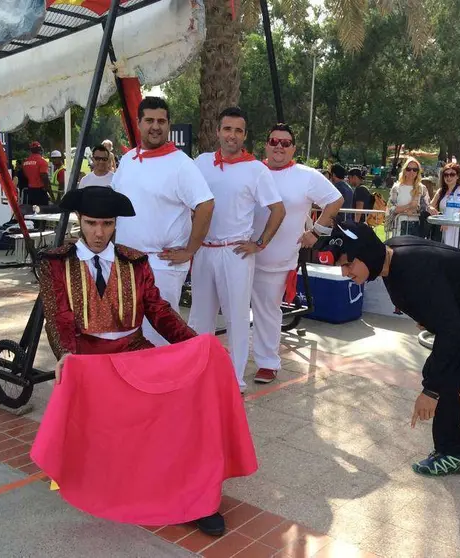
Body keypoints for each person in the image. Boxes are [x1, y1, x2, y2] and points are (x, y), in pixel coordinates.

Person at [37, 186, 236, 536]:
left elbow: (158, 311)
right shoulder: (56, 262)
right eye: (91, 223)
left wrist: (197, 345)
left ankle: (192, 495)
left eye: (107, 224)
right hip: (88, 361)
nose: (99, 233)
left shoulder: (135, 260)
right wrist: (66, 354)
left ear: (116, 224)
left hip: (133, 351)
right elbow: (59, 316)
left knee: (180, 410)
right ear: (80, 222)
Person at [316, 223, 460, 476]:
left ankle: (454, 453)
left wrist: (430, 390)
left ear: (366, 253)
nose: (345, 272)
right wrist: (432, 315)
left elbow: (450, 333)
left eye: (348, 264)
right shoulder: (391, 258)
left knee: (446, 373)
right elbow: (440, 294)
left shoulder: (412, 271)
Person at [190, 107, 285, 393]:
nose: (232, 135)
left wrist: (260, 243)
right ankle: (197, 373)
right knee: (199, 317)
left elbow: (278, 210)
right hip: (204, 251)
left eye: (238, 131)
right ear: (218, 131)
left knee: (237, 317)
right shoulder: (201, 163)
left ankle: (235, 378)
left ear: (244, 136)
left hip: (236, 253)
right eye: (227, 129)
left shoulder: (255, 169)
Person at [112, 96, 215, 346]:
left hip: (162, 265)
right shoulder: (127, 160)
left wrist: (190, 249)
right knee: (127, 331)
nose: (155, 126)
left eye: (161, 121)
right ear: (138, 123)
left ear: (169, 125)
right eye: (149, 120)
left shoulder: (181, 164)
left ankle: (165, 385)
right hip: (125, 263)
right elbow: (115, 206)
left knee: (158, 336)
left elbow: (206, 204)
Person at [251, 123, 343, 384]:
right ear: (266, 144)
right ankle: (226, 361)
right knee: (233, 310)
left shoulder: (306, 175)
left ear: (293, 148)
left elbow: (335, 200)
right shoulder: (252, 170)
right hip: (240, 253)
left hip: (277, 259)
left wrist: (316, 232)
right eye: (274, 141)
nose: (279, 146)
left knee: (268, 310)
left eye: (285, 143)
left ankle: (267, 362)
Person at [388, 157, 430, 237]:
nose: (411, 172)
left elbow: (426, 208)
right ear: (404, 170)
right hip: (399, 228)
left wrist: (416, 211)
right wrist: (408, 206)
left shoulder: (422, 188)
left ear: (418, 172)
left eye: (415, 170)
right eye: (408, 169)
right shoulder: (396, 188)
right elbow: (391, 209)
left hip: (417, 228)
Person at [431, 162, 460, 247]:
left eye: (452, 174)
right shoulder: (440, 191)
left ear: (457, 176)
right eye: (446, 175)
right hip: (441, 229)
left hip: (458, 229)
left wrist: (449, 221)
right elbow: (430, 205)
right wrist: (431, 209)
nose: (449, 177)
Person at [22, 141, 52, 206]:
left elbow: (26, 175)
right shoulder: (42, 162)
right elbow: (44, 175)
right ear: (40, 150)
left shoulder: (25, 163)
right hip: (40, 190)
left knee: (32, 211)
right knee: (42, 211)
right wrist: (47, 188)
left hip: (30, 191)